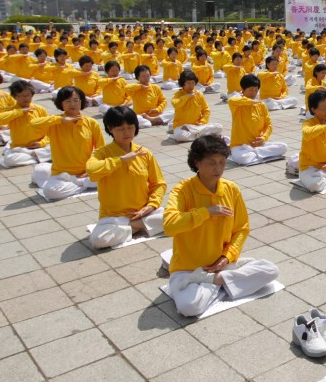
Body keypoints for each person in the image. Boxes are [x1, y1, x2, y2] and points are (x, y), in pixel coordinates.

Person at [163, 135, 279, 316]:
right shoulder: (183, 190)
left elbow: (242, 229)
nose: (218, 169)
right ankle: (226, 285)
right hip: (189, 271)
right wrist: (206, 212)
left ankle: (216, 281)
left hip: (222, 266)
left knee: (271, 270)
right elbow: (169, 226)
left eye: (222, 162)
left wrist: (227, 256)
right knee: (189, 308)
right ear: (197, 163)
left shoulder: (231, 189)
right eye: (211, 163)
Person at [86, 106, 166, 249]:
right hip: (114, 218)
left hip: (143, 212)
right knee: (98, 240)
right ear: (110, 129)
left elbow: (159, 183)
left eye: (130, 127)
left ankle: (136, 226)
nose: (127, 132)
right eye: (121, 129)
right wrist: (120, 160)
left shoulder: (144, 153)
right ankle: (138, 226)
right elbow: (92, 171)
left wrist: (151, 205)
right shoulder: (102, 153)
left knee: (176, 217)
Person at [30, 86, 105, 200]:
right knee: (50, 191)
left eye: (76, 100)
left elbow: (101, 149)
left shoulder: (91, 123)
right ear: (61, 103)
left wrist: (91, 170)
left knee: (115, 176)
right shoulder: (55, 123)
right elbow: (33, 123)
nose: (72, 104)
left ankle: (79, 183)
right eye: (68, 101)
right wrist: (60, 120)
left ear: (82, 102)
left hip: (86, 172)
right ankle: (81, 185)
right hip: (62, 174)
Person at [227, 74, 288, 165]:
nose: (254, 93)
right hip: (240, 146)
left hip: (258, 145)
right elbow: (231, 100)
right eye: (251, 90)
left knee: (283, 147)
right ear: (243, 90)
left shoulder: (261, 105)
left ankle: (255, 154)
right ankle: (261, 155)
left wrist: (263, 138)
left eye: (256, 90)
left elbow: (269, 125)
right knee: (242, 158)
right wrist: (251, 101)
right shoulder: (237, 104)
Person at [0, 80, 52, 167]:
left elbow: (50, 131)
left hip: (40, 146)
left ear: (32, 94)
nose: (25, 98)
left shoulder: (40, 109)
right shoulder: (11, 111)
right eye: (20, 96)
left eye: (27, 95)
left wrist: (42, 143)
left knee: (61, 148)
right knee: (9, 160)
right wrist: (20, 112)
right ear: (15, 97)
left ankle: (35, 155)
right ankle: (37, 156)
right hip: (20, 148)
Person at [171, 70, 224, 142]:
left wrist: (202, 122)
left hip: (197, 126)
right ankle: (201, 135)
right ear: (183, 84)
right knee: (180, 135)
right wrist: (187, 97)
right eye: (188, 83)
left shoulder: (199, 94)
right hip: (182, 127)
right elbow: (175, 104)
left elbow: (206, 110)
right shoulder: (178, 94)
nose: (191, 85)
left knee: (219, 127)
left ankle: (197, 135)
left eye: (193, 83)